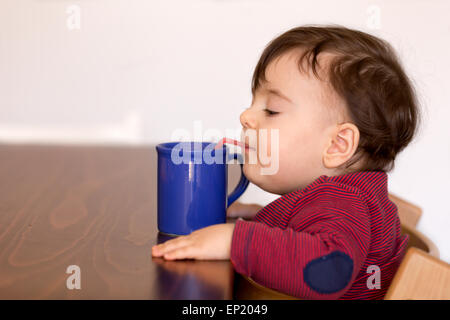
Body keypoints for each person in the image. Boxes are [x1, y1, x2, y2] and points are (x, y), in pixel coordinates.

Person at [152, 25, 420, 299]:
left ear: (338, 144)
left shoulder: (344, 203)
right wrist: (262, 220)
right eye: (253, 103)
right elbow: (311, 231)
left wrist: (234, 240)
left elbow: (329, 268)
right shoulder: (350, 198)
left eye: (271, 110)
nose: (246, 116)